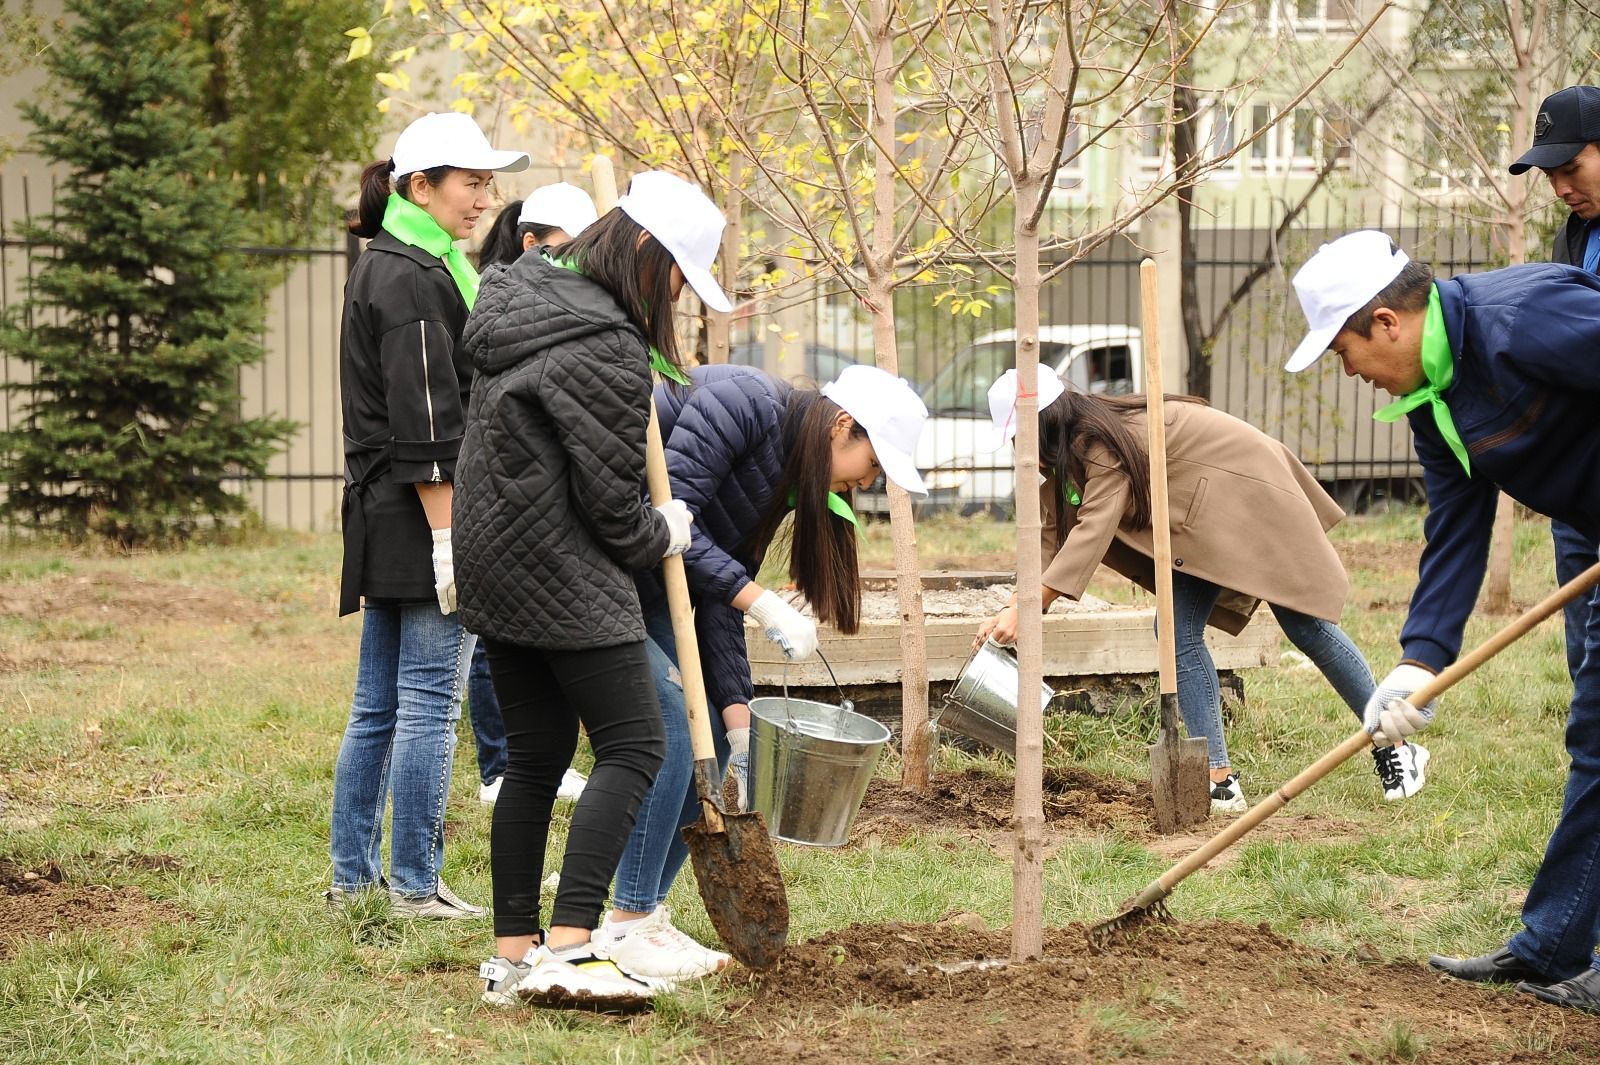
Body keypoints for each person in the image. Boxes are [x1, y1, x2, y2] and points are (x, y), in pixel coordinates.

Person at [1287, 231, 1600, 1012]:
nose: (1350, 373)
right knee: (1595, 737)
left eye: (1343, 351)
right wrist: (1418, 661)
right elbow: (1458, 528)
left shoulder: (1523, 318)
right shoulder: (1434, 401)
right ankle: (1554, 947)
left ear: (1387, 322)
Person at [453, 171, 729, 1006]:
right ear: (646, 253)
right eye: (679, 276)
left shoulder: (517, 300)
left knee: (536, 757)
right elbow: (612, 511)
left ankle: (511, 954)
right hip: (562, 572)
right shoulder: (605, 344)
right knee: (637, 745)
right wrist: (665, 530)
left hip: (494, 563)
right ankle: (572, 946)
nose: (677, 296)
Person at [594, 362, 929, 988]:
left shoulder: (785, 472)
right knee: (669, 724)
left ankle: (646, 914)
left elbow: (716, 595)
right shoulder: (741, 404)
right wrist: (764, 601)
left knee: (712, 735)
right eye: (874, 464)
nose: (867, 482)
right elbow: (670, 525)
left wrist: (740, 722)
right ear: (843, 427)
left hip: (648, 574)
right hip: (592, 555)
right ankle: (625, 922)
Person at [975, 366, 1425, 813]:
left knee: (1304, 624)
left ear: (1043, 424)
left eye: (1018, 437)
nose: (1018, 450)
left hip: (1247, 494)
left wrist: (1033, 609)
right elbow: (1050, 538)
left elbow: (1093, 528)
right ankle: (1218, 777)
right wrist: (1015, 606)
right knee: (1176, 633)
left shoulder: (1101, 445)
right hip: (1196, 523)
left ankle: (1395, 744)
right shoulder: (1069, 455)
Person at [328, 112, 528, 919]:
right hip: (420, 518)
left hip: (388, 513)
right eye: (472, 181)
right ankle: (412, 885)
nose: (487, 197)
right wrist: (450, 538)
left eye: (488, 181)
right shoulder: (411, 275)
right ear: (421, 186)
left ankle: (353, 879)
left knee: (379, 704)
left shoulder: (400, 262)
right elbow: (429, 431)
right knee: (429, 702)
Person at [469, 181, 602, 807]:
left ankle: (524, 762)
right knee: (492, 641)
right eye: (566, 251)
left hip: (537, 494)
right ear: (531, 243)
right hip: (494, 490)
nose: (577, 265)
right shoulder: (501, 304)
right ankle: (501, 765)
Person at [1509, 85, 1600, 683]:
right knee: (1583, 654)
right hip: (1578, 478)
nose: (1562, 187)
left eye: (1572, 167)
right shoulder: (1574, 235)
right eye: (1550, 174)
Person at [476, 181, 600, 267]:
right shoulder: (501, 299)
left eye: (588, 247)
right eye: (569, 248)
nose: (580, 258)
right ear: (530, 244)